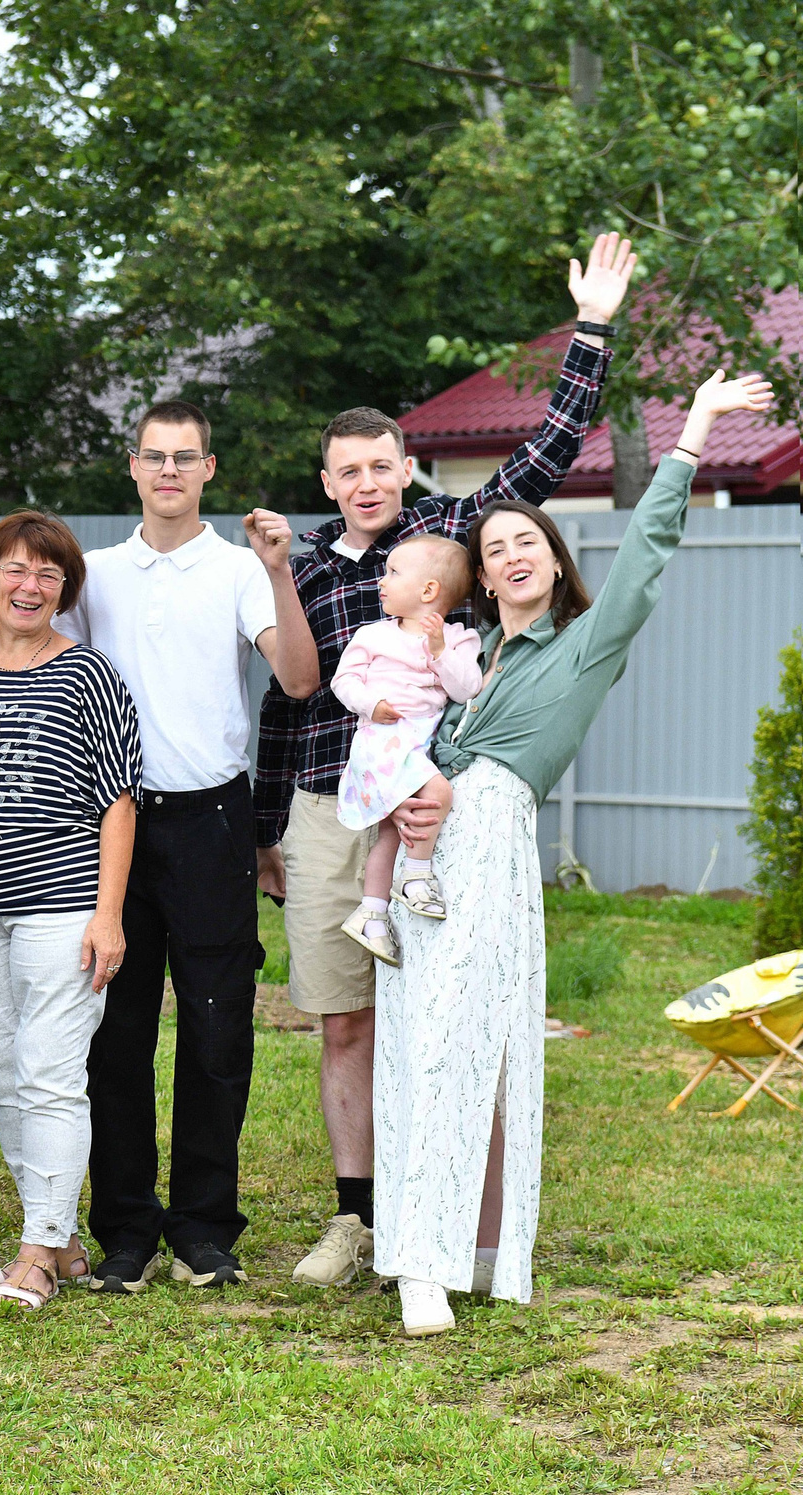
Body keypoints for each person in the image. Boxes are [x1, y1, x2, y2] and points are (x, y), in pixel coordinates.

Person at [259, 234, 632, 1290]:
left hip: (436, 813)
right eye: (348, 470)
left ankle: (447, 1212)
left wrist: (590, 329)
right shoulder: (305, 569)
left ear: (405, 467)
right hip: (332, 809)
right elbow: (284, 703)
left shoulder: (452, 542)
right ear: (326, 481)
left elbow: (547, 455)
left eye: (382, 465)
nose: (367, 482)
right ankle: (358, 1218)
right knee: (343, 1019)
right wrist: (264, 832)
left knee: (445, 1020)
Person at [379, 368, 776, 1337]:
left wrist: (695, 429)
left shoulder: (586, 643)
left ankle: (434, 1264)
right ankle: (432, 1249)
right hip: (425, 848)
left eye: (529, 543)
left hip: (494, 849)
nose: (512, 555)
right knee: (414, 1047)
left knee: (467, 1047)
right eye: (495, 548)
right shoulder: (467, 655)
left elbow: (646, 551)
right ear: (479, 576)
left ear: (556, 564)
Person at [17, 402, 316, 1296]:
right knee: (117, 1033)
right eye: (155, 456)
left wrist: (281, 571)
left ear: (209, 469)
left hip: (211, 819)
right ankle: (125, 1230)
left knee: (218, 1025)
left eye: (186, 457)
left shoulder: (240, 569)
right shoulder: (97, 574)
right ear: (133, 466)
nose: (170, 470)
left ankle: (204, 1226)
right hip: (111, 823)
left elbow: (299, 678)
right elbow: (31, 639)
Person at [0, 513, 140, 1310]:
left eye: (49, 574)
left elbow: (120, 799)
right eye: (15, 568)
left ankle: (37, 1251)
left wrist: (108, 914)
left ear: (66, 590)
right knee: (5, 1075)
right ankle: (63, 1240)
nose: (30, 585)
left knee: (50, 1072)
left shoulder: (88, 675)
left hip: (62, 905)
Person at [329, 537, 483, 966]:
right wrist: (371, 704)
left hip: (417, 745)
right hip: (382, 741)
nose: (382, 581)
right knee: (439, 794)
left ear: (429, 590)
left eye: (393, 573)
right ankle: (416, 877)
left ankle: (372, 913)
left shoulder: (458, 639)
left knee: (391, 833)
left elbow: (467, 688)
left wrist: (439, 652)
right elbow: (344, 681)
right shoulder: (373, 635)